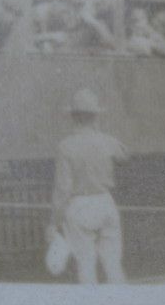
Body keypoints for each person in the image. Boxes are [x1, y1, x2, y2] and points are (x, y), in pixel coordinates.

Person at [49, 88, 130, 283]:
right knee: (113, 264)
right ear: (95, 117)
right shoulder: (106, 141)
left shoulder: (65, 146)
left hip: (79, 207)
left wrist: (53, 223)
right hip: (105, 202)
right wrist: (99, 134)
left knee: (86, 265)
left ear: (73, 117)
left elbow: (63, 189)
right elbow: (124, 155)